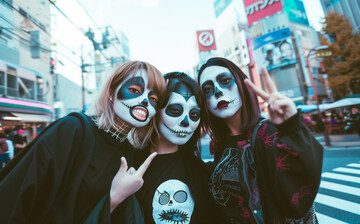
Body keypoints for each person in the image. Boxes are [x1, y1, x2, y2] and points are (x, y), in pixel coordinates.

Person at [0, 61, 166, 223]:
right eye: (134, 89)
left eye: (153, 99)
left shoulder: (129, 152)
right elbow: (14, 197)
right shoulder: (72, 130)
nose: (145, 101)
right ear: (110, 92)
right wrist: (115, 197)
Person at [197, 57, 323, 223]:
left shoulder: (266, 133)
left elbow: (299, 186)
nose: (218, 91)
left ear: (242, 84)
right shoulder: (220, 143)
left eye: (225, 81)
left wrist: (291, 127)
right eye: (207, 89)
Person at [134, 72, 219, 224]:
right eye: (175, 110)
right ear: (156, 109)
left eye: (194, 114)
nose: (186, 121)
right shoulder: (129, 166)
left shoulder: (200, 170)